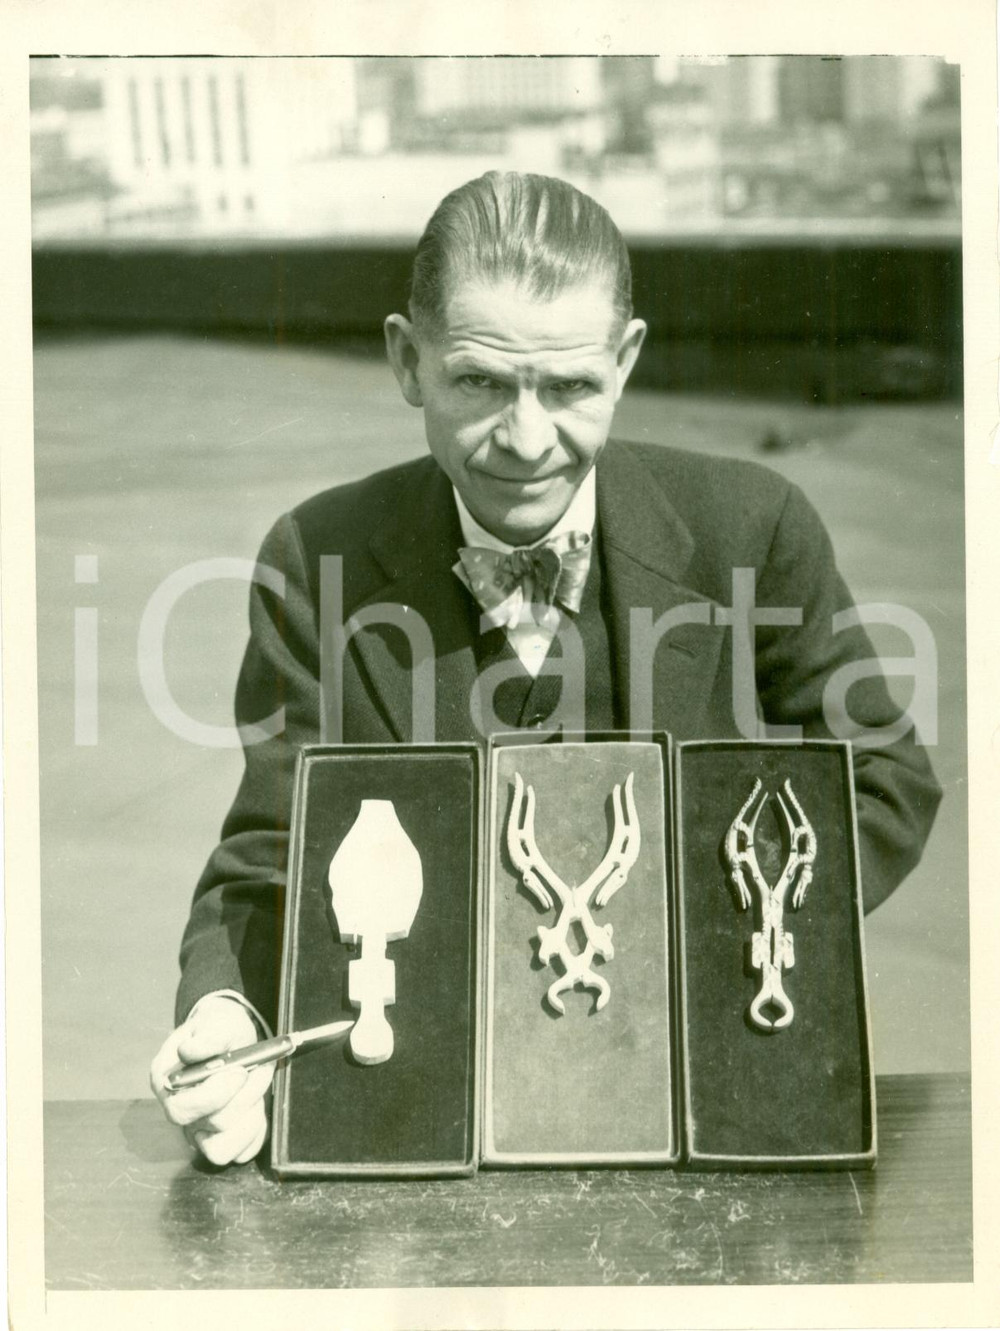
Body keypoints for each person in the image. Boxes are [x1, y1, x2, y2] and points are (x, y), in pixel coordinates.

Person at [150, 170, 942, 1166]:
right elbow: (274, 848)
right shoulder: (313, 558)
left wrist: (714, 932)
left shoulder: (755, 527)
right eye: (480, 382)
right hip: (426, 1114)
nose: (527, 440)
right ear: (408, 360)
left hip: (702, 1108)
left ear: (625, 362)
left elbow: (884, 779)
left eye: (568, 388)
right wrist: (226, 1015)